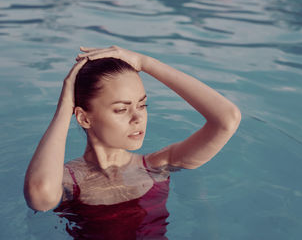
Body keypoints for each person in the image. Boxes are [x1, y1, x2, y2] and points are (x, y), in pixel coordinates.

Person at [23, 45, 241, 239]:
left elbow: (227, 119)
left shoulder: (157, 166)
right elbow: (39, 196)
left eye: (142, 105)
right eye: (121, 109)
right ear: (84, 118)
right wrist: (64, 107)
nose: (138, 118)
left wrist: (145, 62)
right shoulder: (69, 182)